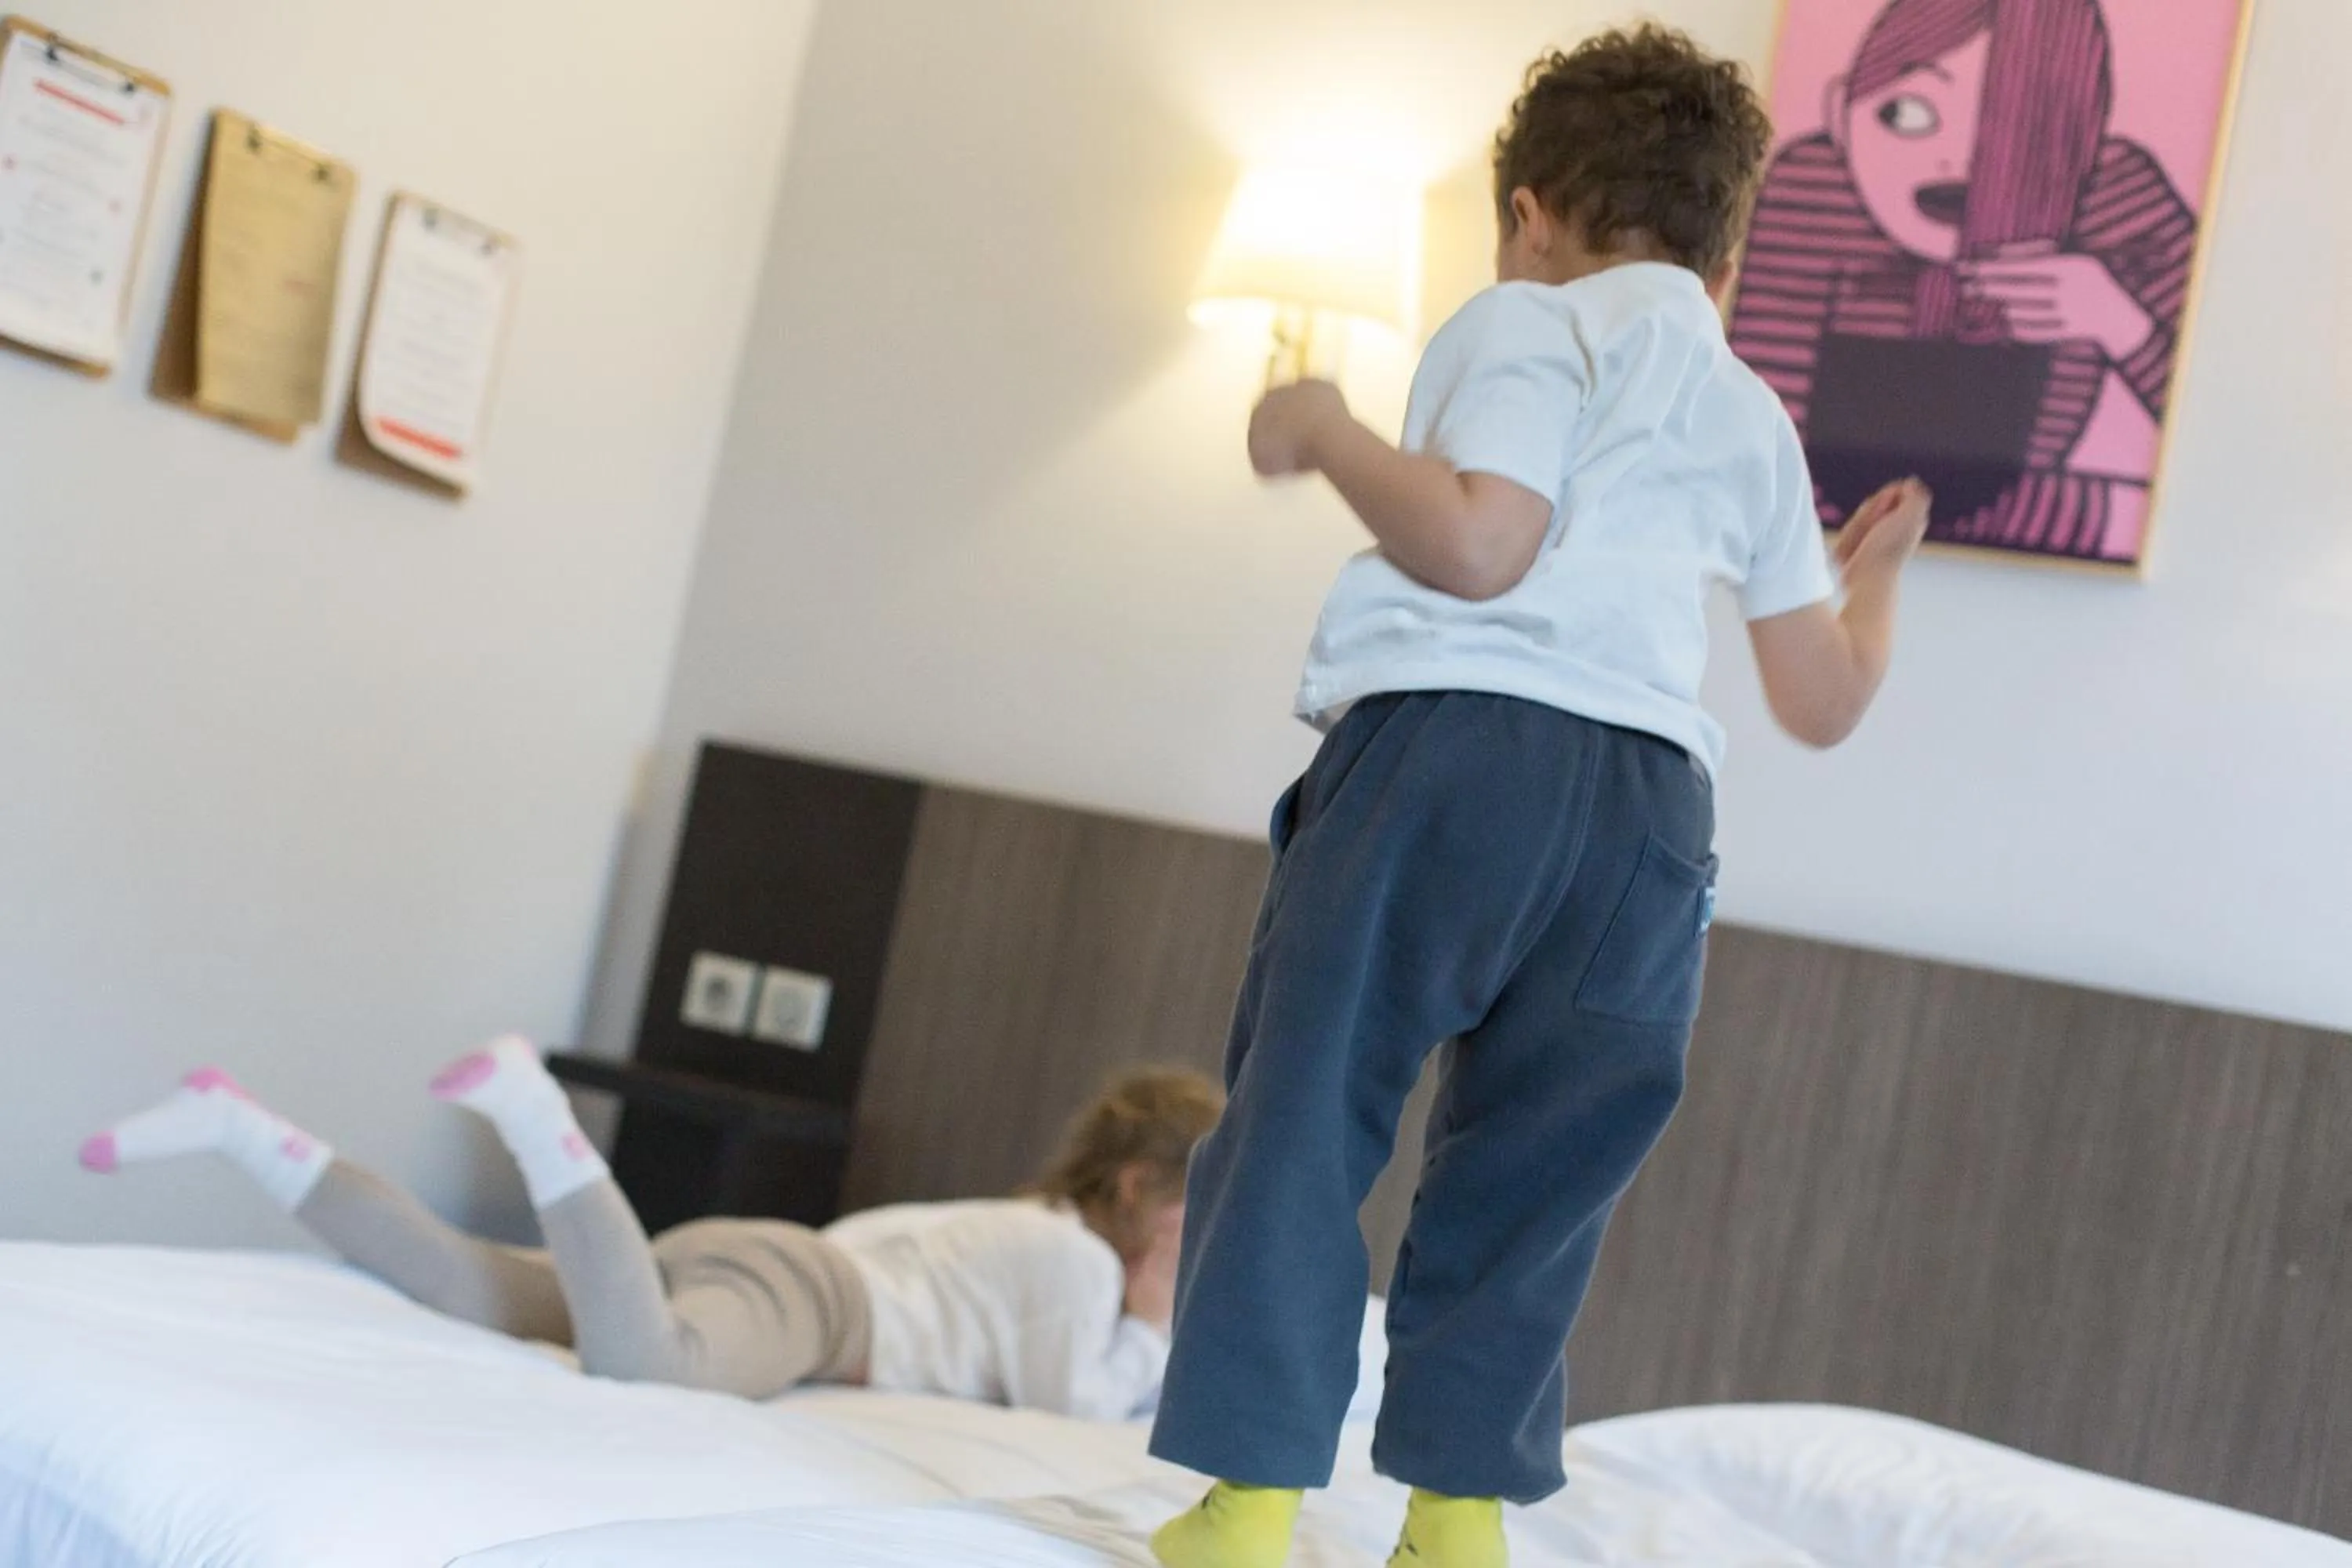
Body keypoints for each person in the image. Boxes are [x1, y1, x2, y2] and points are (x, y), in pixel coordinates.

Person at [1148, 27, 1929, 1568]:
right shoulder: (1754, 415)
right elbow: (1821, 704)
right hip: (1648, 823)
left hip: (1455, 758)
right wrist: (1880, 585)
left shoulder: (1530, 324)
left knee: (1307, 1115)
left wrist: (1323, 429)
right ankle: (1456, 1521)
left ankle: (1247, 1507)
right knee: (1538, 1172)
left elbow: (1480, 547)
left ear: (1532, 212)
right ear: (1728, 252)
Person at [80, 1041, 1218, 1421]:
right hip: (810, 1299)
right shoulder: (1073, 1264)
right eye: (1195, 1213)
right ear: (1137, 1192)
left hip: (756, 1258)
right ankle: (541, 1119)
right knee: (648, 1369)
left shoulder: (1011, 1222)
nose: (1204, 1237)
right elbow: (1076, 1406)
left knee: (474, 1290)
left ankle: (242, 1130)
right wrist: (1159, 1315)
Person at [1729, 0, 2196, 558]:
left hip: (2044, 558)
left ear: (2088, 138)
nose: (1961, 158)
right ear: (1838, 114)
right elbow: (1751, 433)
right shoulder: (1811, 190)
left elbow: (2219, 422)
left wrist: (2117, 321)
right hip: (1807, 555)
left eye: (2025, 130)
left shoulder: (2118, 203)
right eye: (1907, 114)